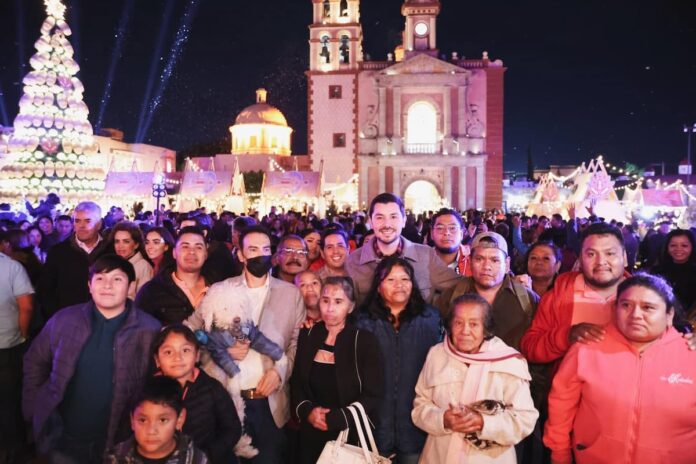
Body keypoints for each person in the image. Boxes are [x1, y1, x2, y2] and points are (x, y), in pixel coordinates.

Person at [544, 274, 696, 464]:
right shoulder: (588, 347)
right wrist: (559, 454)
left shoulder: (690, 354)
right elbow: (561, 407)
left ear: (669, 314)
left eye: (648, 307)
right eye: (626, 305)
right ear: (614, 309)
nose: (635, 315)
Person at [23, 254, 161, 462]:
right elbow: (35, 362)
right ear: (89, 285)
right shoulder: (64, 320)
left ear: (131, 287)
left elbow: (157, 382)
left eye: (117, 279)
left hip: (119, 441)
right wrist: (34, 410)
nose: (108, 286)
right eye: (100, 279)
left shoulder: (149, 330)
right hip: (61, 438)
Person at [187, 225, 305, 463]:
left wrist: (280, 372)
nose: (259, 255)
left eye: (265, 249)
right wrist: (221, 350)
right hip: (224, 401)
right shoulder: (221, 289)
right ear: (240, 255)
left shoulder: (291, 294)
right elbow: (189, 331)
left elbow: (295, 344)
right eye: (252, 249)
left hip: (268, 405)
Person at [412, 294, 538, 463]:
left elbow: (525, 420)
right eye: (458, 323)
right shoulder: (437, 355)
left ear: (486, 328)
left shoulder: (508, 362)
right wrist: (443, 419)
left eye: (473, 324)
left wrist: (483, 422)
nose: (465, 331)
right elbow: (420, 406)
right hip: (438, 457)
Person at [356, 256, 442, 463]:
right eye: (391, 280)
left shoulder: (430, 319)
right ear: (378, 286)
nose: (399, 286)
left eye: (405, 279)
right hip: (372, 427)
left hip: (416, 428)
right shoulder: (362, 321)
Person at [291, 277, 383, 464]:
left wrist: (338, 418)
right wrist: (308, 412)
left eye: (338, 302)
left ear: (350, 307)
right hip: (311, 432)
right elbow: (297, 383)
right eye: (325, 301)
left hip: (349, 434)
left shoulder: (364, 341)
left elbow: (374, 394)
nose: (330, 308)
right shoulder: (308, 334)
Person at [520, 223, 631, 369]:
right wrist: (566, 336)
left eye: (610, 253)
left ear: (625, 257)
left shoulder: (645, 299)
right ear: (579, 259)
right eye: (591, 254)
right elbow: (530, 347)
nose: (601, 262)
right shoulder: (558, 296)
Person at [345, 193, 459, 306]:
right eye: (380, 217)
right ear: (370, 222)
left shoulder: (426, 256)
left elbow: (461, 286)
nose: (387, 224)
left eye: (393, 217)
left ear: (404, 220)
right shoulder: (353, 261)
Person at [152, 324, 241, 464]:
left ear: (197, 355)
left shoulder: (212, 389)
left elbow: (232, 429)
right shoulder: (148, 392)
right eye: (168, 352)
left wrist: (204, 457)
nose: (177, 358)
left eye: (185, 350)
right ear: (157, 360)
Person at [105, 376, 209, 464]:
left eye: (163, 420)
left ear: (180, 419)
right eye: (142, 420)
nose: (151, 431)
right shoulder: (115, 458)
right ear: (132, 420)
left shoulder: (195, 460)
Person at [37, 201, 113, 319]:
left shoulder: (111, 251)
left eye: (87, 221)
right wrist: (57, 317)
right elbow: (45, 289)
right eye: (77, 221)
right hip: (67, 321)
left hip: (104, 320)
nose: (81, 226)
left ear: (99, 224)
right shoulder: (58, 252)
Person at [0, 234, 34, 463]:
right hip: (8, 343)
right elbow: (26, 306)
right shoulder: (12, 267)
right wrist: (23, 335)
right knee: (9, 399)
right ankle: (12, 448)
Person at [136, 226, 210, 325]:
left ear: (205, 254)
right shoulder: (151, 291)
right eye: (185, 246)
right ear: (174, 253)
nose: (192, 252)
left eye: (198, 247)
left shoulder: (219, 289)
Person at [651, 228, 696, 314]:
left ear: (692, 247)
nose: (678, 249)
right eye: (673, 245)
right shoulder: (657, 271)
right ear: (667, 247)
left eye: (684, 245)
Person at [110, 221, 154, 300]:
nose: (120, 246)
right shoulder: (114, 264)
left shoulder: (143, 267)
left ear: (136, 244)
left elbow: (144, 301)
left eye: (126, 241)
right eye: (117, 241)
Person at [430, 208, 472, 276]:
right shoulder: (421, 261)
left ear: (461, 234)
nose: (447, 232)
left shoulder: (474, 259)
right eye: (440, 228)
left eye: (452, 228)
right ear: (432, 233)